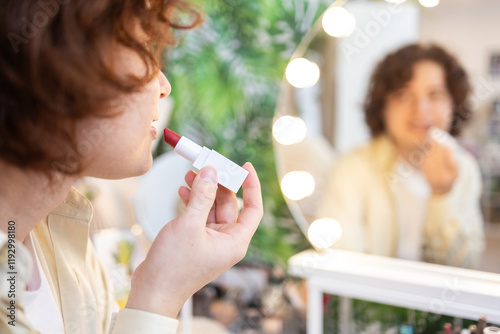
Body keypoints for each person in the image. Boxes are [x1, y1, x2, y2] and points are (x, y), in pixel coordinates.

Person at [0, 0, 263, 333]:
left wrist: (154, 288)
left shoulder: (62, 231)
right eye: (143, 50)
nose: (164, 86)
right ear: (56, 66)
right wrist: (159, 298)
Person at [316, 44, 484, 268]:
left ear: (454, 104)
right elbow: (340, 260)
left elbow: (464, 266)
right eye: (404, 95)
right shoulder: (352, 168)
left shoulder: (465, 168)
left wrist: (441, 195)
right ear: (383, 106)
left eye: (435, 95)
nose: (421, 109)